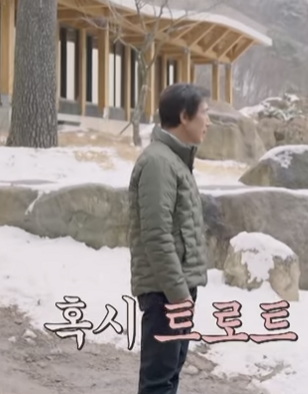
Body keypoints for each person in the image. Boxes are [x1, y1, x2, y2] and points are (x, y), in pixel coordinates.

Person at [128, 83, 211, 394]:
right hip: (165, 292)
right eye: (204, 113)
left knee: (169, 375)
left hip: (176, 290)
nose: (208, 122)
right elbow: (156, 235)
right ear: (184, 116)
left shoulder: (175, 160)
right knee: (159, 381)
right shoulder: (158, 163)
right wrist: (178, 295)